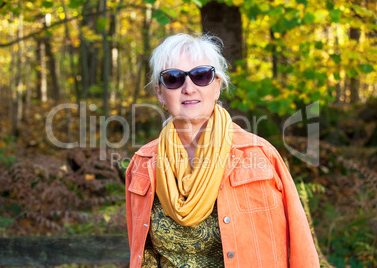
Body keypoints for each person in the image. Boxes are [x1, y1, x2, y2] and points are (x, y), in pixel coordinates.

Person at [126, 33, 319, 268]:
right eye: (174, 78)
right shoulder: (142, 164)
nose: (188, 88)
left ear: (217, 86)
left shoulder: (260, 156)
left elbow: (301, 248)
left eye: (201, 76)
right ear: (160, 93)